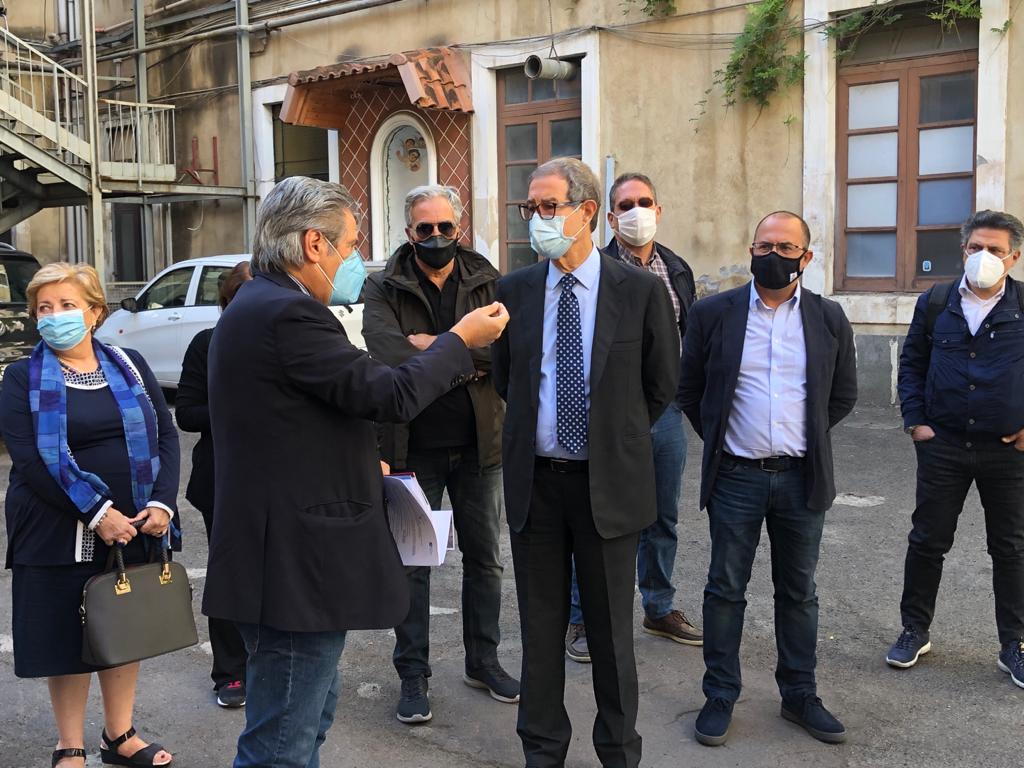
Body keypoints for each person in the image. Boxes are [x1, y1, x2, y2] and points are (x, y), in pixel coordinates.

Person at [202, 177, 509, 768]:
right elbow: (388, 392)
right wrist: (457, 340)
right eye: (348, 246)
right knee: (282, 745)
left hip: (285, 553)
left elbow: (298, 417)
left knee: (306, 723)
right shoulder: (288, 313)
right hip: (292, 563)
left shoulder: (262, 304)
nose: (353, 260)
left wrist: (354, 454)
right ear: (314, 244)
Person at [493, 157, 679, 768]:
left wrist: (612, 437)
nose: (537, 219)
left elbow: (660, 384)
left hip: (608, 486)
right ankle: (542, 750)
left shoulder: (639, 290)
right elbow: (507, 380)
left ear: (587, 212)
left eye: (549, 207)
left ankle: (619, 751)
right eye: (531, 208)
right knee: (540, 632)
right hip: (537, 487)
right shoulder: (516, 290)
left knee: (610, 633)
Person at [678, 211, 857, 747]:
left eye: (786, 247)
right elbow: (690, 390)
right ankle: (719, 694)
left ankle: (799, 694)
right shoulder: (713, 313)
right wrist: (724, 438)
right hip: (736, 476)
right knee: (725, 589)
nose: (773, 255)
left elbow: (842, 395)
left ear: (807, 257)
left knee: (799, 592)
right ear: (751, 250)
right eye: (764, 246)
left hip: (802, 479)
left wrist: (804, 436)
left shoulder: (828, 317)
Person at [0, 263, 180, 768]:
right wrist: (98, 513)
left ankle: (120, 736)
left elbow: (166, 435)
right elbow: (30, 459)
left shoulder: (130, 364)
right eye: (44, 308)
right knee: (65, 636)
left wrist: (162, 502)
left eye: (67, 305)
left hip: (137, 523)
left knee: (123, 625)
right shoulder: (21, 377)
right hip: (57, 526)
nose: (54, 316)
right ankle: (70, 745)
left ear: (95, 312)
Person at [362, 185, 518, 724]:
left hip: (480, 444)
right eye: (424, 228)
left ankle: (483, 661)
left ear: (459, 227)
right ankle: (413, 675)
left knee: (486, 560)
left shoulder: (487, 277)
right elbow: (388, 352)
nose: (435, 237)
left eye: (444, 227)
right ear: (409, 232)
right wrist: (464, 343)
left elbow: (503, 349)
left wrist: (431, 344)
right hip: (412, 447)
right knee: (413, 565)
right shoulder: (382, 284)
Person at [565, 172, 700, 664]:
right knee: (598, 517)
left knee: (662, 515)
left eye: (644, 202)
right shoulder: (595, 270)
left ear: (658, 211)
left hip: (665, 414)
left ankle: (658, 606)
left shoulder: (677, 269)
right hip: (609, 414)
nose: (636, 212)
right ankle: (581, 615)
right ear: (609, 216)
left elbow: (687, 339)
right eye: (625, 205)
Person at [888, 209, 1024, 689]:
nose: (984, 256)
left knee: (1011, 547)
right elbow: (912, 363)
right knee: (928, 540)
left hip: (1008, 451)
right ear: (963, 250)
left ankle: (1015, 644)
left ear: (1013, 257)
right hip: (943, 444)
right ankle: (914, 630)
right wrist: (915, 422)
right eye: (975, 247)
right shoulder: (936, 302)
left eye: (995, 250)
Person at [175, 260, 252, 708]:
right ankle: (230, 672)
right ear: (228, 303)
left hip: (280, 476)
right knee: (230, 573)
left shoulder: (286, 341)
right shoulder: (208, 344)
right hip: (221, 478)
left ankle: (271, 663)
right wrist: (238, 409)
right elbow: (186, 414)